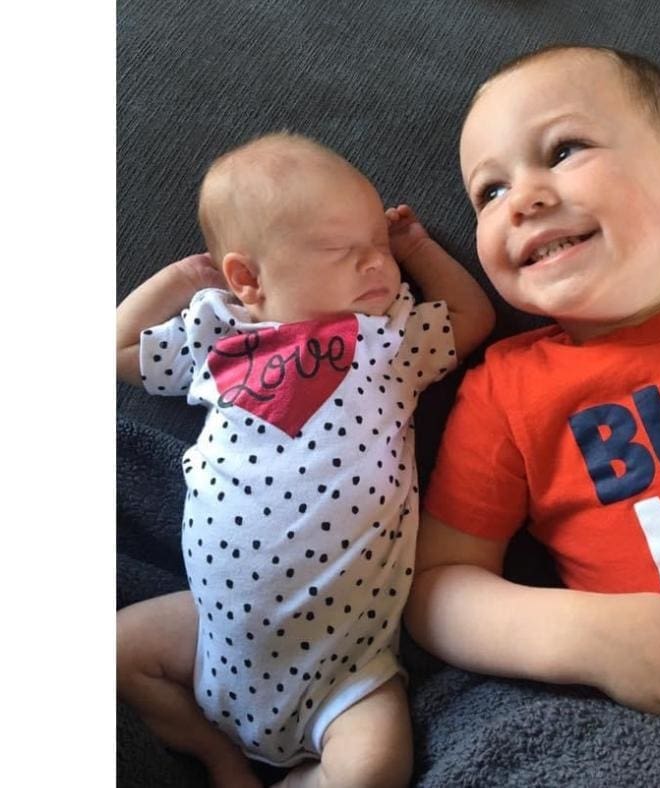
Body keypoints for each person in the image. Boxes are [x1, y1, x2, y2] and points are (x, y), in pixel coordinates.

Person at [403, 45, 660, 778]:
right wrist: (590, 638)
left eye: (563, 150)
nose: (522, 199)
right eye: (489, 192)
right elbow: (435, 586)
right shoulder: (509, 390)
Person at [116, 131, 495, 788]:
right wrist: (181, 279)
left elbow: (471, 315)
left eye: (377, 243)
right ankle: (218, 759)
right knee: (111, 651)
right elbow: (115, 352)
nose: (376, 263)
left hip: (344, 670)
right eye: (342, 251)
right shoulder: (221, 336)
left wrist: (418, 249)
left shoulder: (389, 337)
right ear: (247, 278)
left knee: (374, 767)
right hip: (213, 638)